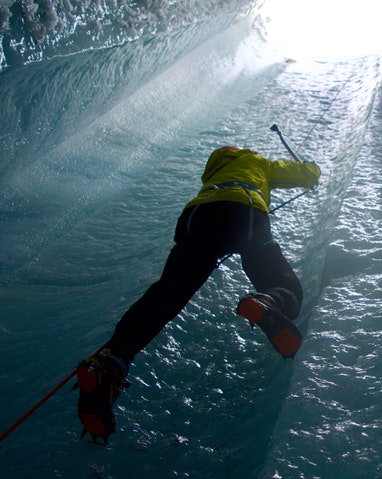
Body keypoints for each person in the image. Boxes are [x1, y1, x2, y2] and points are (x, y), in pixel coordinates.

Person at [76, 145, 321, 444]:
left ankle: (112, 360)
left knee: (168, 292)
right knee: (284, 284)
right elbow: (304, 174)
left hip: (197, 215)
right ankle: (268, 300)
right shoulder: (260, 164)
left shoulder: (215, 170)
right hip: (244, 211)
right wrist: (311, 170)